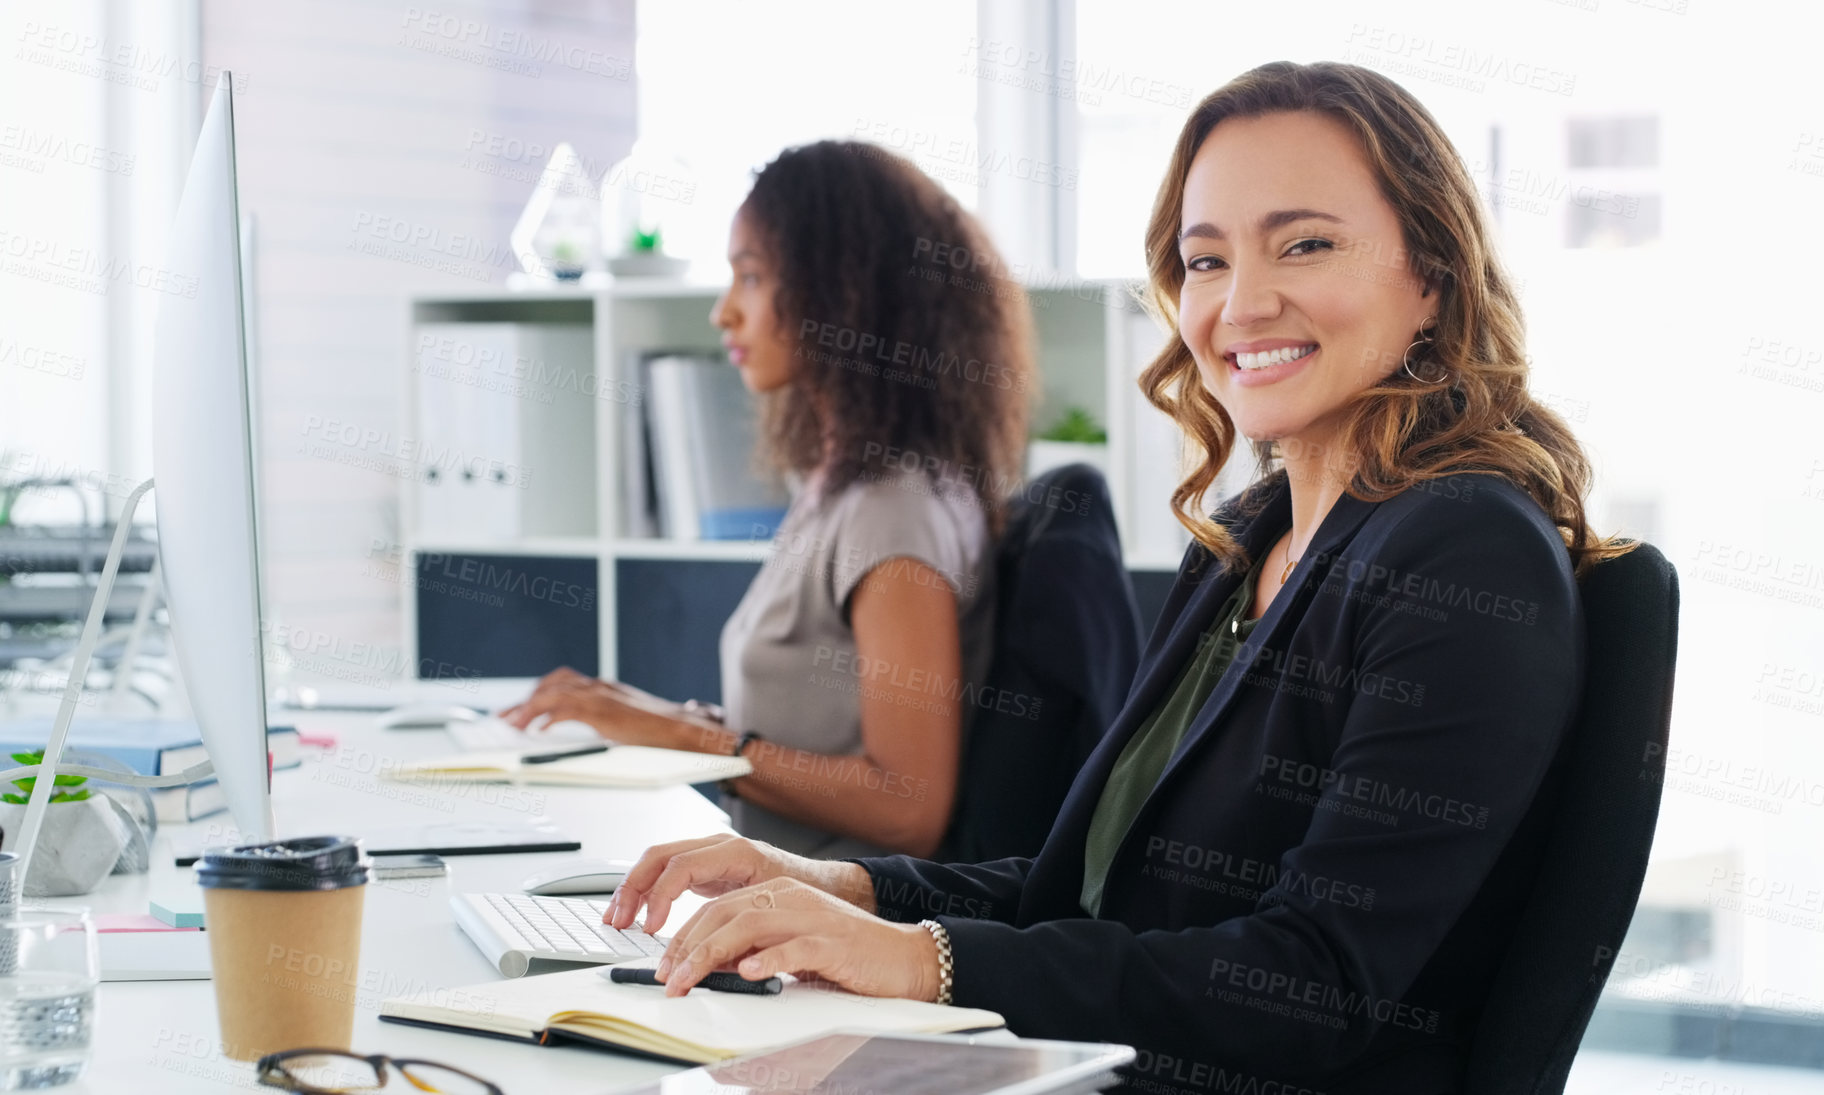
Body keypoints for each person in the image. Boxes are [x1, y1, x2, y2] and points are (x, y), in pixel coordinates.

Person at [599, 61, 1635, 1094]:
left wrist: (922, 961)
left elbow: (1312, 986)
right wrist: (841, 887)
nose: (1243, 301)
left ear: (1432, 277)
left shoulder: (1464, 554)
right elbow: (1091, 892)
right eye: (1207, 260)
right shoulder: (1248, 540)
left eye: (1306, 244)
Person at [501, 141, 1034, 860]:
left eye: (751, 277)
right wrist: (646, 714)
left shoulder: (895, 508)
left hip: (836, 941)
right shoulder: (840, 486)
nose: (724, 312)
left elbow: (908, 809)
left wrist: (689, 738)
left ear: (844, 295)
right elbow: (813, 734)